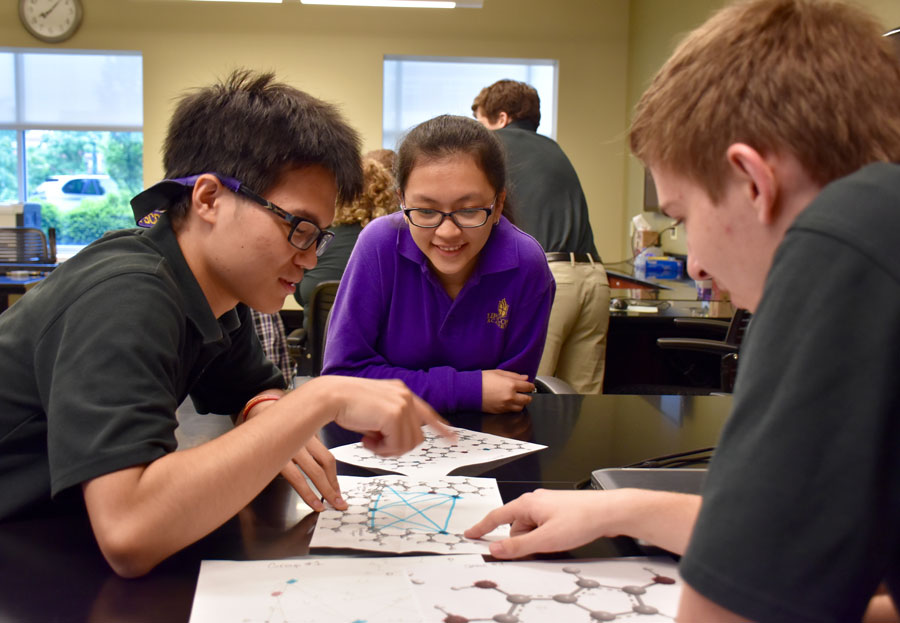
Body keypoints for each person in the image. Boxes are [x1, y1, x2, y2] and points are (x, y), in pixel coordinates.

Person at [466, 1, 900, 621]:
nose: (694, 262)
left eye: (683, 217)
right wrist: (620, 509)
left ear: (753, 180)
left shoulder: (841, 241)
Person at [0, 69, 449, 578]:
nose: (308, 258)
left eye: (319, 236)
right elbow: (130, 530)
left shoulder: (214, 292)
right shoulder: (127, 293)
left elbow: (253, 390)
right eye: (297, 228)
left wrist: (271, 416)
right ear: (209, 198)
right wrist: (321, 400)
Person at [322, 115, 555, 415]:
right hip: (381, 440)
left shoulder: (526, 264)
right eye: (426, 210)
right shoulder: (378, 245)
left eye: (469, 210)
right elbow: (342, 379)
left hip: (489, 445)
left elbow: (511, 393)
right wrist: (470, 389)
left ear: (497, 205)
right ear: (402, 203)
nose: (447, 232)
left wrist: (396, 385)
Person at [473, 80, 609, 393]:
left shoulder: (495, 147)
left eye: (482, 122)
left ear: (502, 119)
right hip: (594, 279)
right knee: (583, 402)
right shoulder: (553, 148)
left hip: (551, 278)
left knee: (526, 395)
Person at [293, 156, 398, 313]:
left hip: (320, 337)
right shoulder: (395, 241)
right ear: (386, 195)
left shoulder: (318, 237)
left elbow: (300, 294)